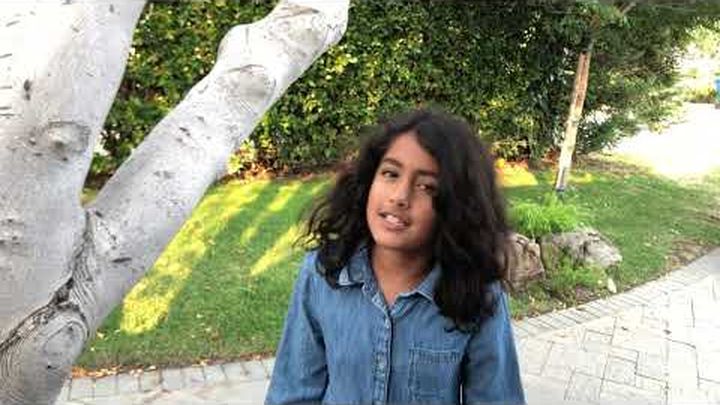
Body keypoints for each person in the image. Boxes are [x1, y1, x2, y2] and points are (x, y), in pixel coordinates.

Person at [265, 108, 525, 405]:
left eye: (427, 187)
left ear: (456, 206)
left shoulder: (477, 291)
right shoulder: (324, 272)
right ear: (368, 179)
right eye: (390, 173)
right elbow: (293, 393)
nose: (400, 196)